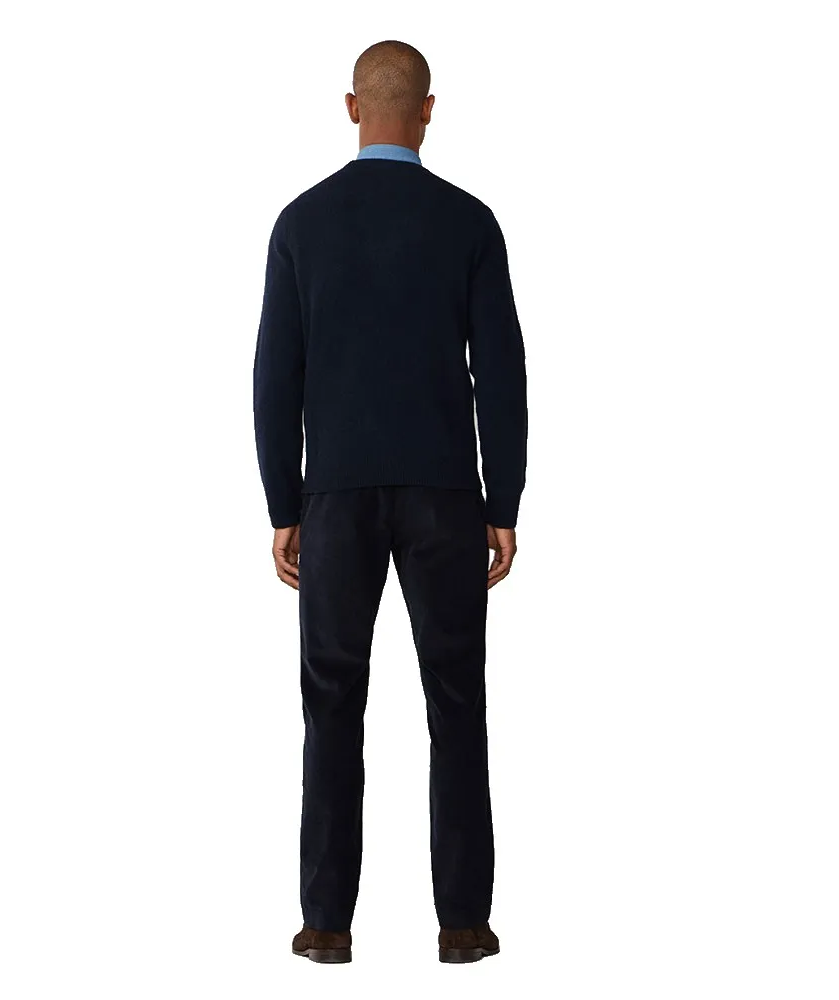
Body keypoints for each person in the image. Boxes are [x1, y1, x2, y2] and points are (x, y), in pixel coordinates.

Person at [253, 39, 527, 965]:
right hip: (447, 494)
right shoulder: (469, 222)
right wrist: (503, 499)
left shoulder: (302, 223)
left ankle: (326, 925)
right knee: (457, 703)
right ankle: (465, 926)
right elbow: (502, 373)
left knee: (332, 703)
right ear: (429, 111)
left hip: (333, 494)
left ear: (350, 107)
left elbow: (274, 377)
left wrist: (283, 504)